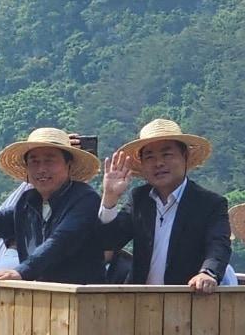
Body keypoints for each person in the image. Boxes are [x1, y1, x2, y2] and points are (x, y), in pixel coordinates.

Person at [0, 127, 106, 284]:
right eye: (34, 162)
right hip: (38, 298)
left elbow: (61, 241)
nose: (41, 169)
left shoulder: (84, 199)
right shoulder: (27, 202)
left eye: (49, 160)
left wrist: (21, 272)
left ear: (68, 164)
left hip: (81, 299)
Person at [98, 118, 230, 292]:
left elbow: (218, 246)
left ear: (185, 157)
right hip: (139, 304)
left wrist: (208, 273)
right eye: (150, 157)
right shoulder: (139, 199)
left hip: (187, 304)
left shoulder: (209, 204)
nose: (158, 163)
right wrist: (110, 197)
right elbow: (109, 241)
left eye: (167, 154)